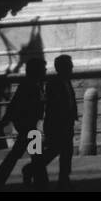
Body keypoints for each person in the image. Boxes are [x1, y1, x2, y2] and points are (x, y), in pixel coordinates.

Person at [0, 58, 46, 190]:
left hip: (31, 127)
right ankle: (40, 183)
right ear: (35, 70)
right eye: (43, 68)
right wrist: (4, 123)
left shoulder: (36, 84)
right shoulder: (27, 86)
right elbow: (14, 106)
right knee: (30, 156)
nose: (45, 71)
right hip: (28, 128)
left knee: (28, 156)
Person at [31, 55, 77, 190]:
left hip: (67, 123)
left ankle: (64, 180)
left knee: (66, 153)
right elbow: (54, 105)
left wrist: (73, 117)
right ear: (62, 67)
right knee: (54, 150)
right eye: (69, 65)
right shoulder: (54, 83)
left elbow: (70, 101)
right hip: (57, 123)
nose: (72, 67)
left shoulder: (66, 81)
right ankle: (31, 169)